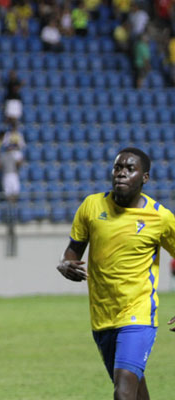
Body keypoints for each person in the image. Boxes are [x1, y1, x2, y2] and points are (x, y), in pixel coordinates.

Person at [57, 147, 175, 400]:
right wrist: (65, 264)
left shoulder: (160, 218)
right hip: (102, 316)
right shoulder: (91, 206)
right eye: (117, 168)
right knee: (135, 391)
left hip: (138, 314)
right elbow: (72, 252)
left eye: (130, 169)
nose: (121, 173)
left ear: (145, 178)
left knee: (123, 392)